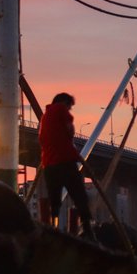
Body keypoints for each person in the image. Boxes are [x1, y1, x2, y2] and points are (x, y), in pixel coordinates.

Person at [38, 92, 94, 237]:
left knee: (54, 199)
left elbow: (46, 141)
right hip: (66, 162)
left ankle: (52, 228)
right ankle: (87, 229)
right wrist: (76, 156)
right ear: (64, 103)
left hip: (49, 165)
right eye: (69, 107)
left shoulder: (45, 117)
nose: (69, 111)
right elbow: (67, 135)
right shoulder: (61, 110)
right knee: (79, 195)